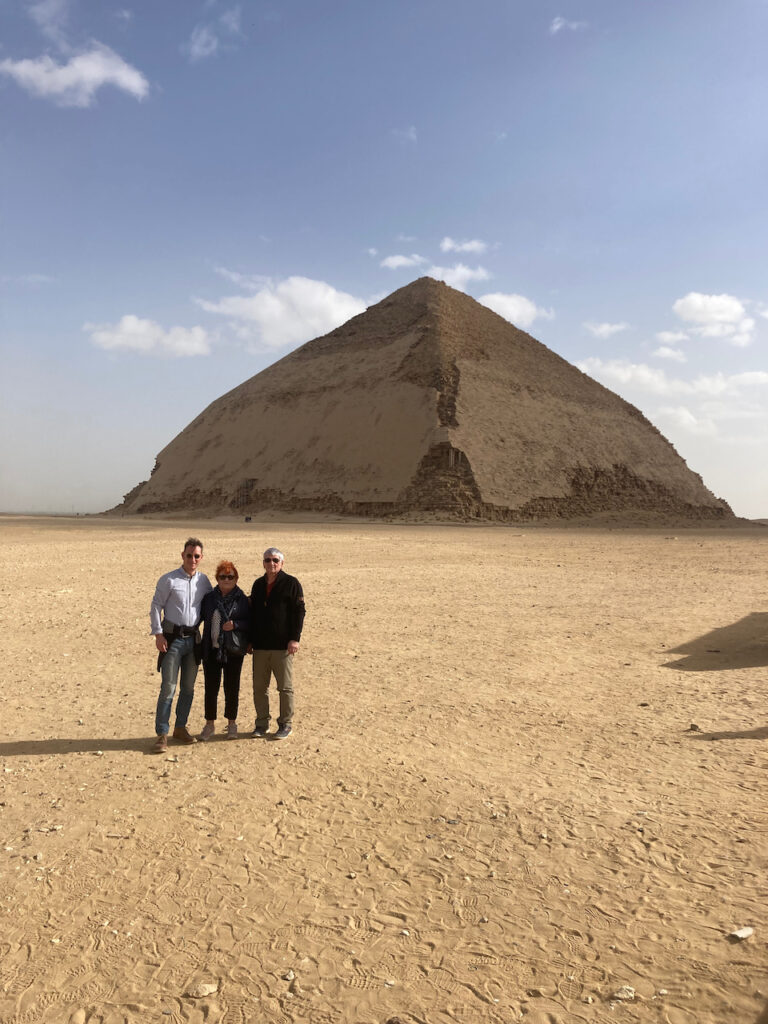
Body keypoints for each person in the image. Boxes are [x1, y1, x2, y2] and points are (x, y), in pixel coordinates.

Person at [150, 537, 212, 753]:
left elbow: (212, 606)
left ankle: (180, 727)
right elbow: (156, 606)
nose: (192, 559)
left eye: (196, 556)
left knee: (188, 688)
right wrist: (158, 634)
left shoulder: (204, 581)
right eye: (189, 555)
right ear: (182, 556)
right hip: (172, 639)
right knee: (168, 687)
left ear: (201, 558)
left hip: (193, 641)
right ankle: (162, 734)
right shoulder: (169, 580)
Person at [249, 547, 306, 739]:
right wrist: (249, 640)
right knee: (259, 687)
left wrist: (295, 638)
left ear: (282, 563)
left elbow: (299, 612)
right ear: (263, 562)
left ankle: (285, 724)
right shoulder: (258, 585)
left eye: (275, 560)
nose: (271, 563)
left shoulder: (291, 583)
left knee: (285, 687)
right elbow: (252, 614)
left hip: (282, 646)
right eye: (267, 560)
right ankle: (261, 723)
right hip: (260, 646)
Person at [198, 560, 250, 741]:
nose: (226, 579)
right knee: (211, 689)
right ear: (217, 579)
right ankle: (209, 724)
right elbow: (200, 618)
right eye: (223, 576)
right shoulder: (209, 598)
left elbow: (250, 622)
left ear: (236, 578)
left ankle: (231, 724)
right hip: (212, 650)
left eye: (230, 576)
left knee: (231, 687)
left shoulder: (242, 599)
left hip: (233, 651)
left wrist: (235, 624)